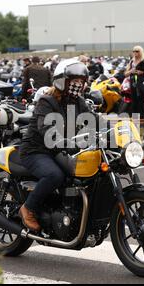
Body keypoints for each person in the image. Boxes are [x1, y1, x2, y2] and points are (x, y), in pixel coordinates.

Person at [19, 59, 91, 232]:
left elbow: (94, 121)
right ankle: (28, 208)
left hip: (60, 149)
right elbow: (46, 128)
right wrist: (63, 141)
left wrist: (116, 135)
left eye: (81, 81)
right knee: (55, 175)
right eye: (74, 81)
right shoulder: (47, 101)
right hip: (36, 150)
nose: (78, 85)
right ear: (62, 80)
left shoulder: (78, 102)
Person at [124, 46, 144, 114]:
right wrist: (131, 71)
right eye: (133, 51)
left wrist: (142, 73)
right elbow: (125, 74)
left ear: (141, 52)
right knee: (134, 102)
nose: (135, 53)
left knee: (142, 102)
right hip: (133, 84)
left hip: (143, 85)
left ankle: (143, 119)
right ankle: (136, 120)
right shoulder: (131, 61)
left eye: (137, 51)